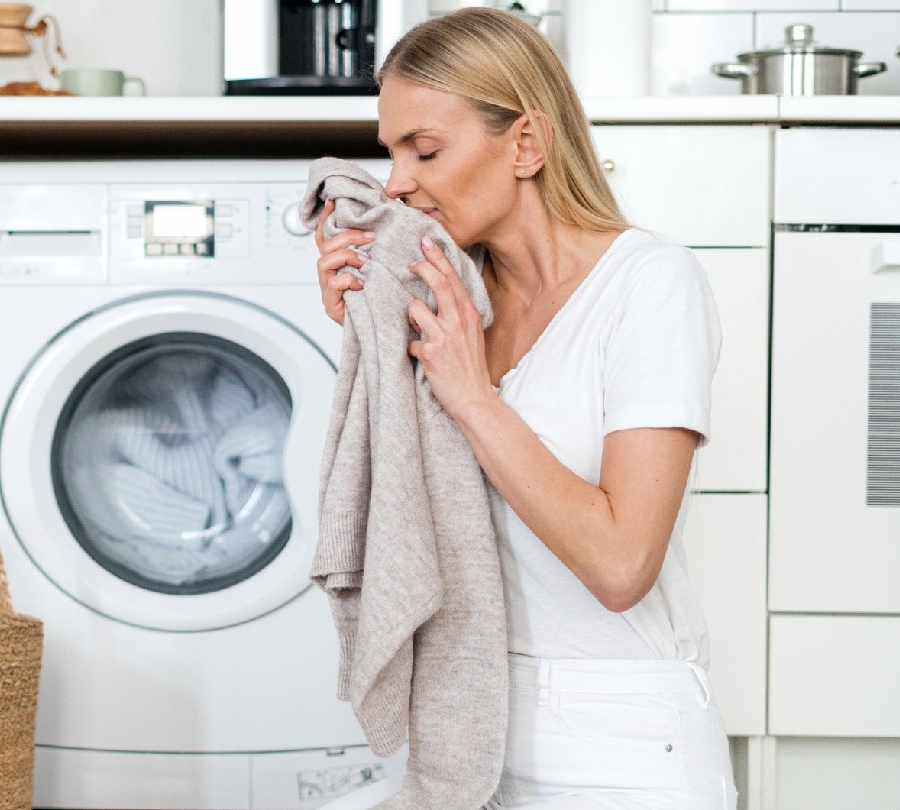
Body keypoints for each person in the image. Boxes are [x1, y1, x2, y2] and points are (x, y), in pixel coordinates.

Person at [313, 8, 736, 810]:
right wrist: (369, 338)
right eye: (391, 151)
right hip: (467, 728)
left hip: (624, 741)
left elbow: (621, 566)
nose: (396, 183)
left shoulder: (649, 286)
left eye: (424, 150)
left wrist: (473, 397)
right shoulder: (445, 298)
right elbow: (403, 499)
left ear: (527, 145)